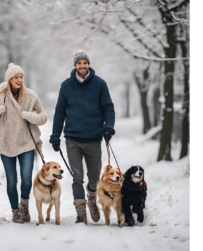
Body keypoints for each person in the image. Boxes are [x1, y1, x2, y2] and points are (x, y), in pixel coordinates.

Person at [49, 50, 115, 225]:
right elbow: (59, 113)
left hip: (94, 138)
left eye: (85, 63)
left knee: (94, 178)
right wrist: (55, 135)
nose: (82, 66)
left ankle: (91, 198)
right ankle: (81, 215)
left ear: (89, 65)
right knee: (77, 176)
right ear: (75, 65)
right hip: (73, 139)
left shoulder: (100, 84)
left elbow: (108, 107)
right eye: (79, 63)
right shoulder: (66, 86)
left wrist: (108, 127)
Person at [0, 63, 47, 224]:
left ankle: (24, 204)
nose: (19, 80)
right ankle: (15, 211)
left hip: (26, 143)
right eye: (16, 77)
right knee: (12, 181)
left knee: (26, 179)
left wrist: (29, 116)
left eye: (21, 77)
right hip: (6, 144)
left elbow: (43, 117)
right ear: (9, 79)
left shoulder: (31, 96)